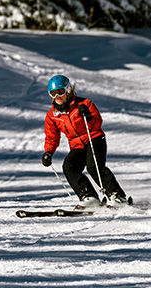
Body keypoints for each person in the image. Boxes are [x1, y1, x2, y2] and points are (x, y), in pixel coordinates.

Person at [42, 74, 127, 207]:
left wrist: (88, 117)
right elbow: (52, 136)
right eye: (52, 94)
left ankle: (118, 196)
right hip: (77, 145)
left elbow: (97, 124)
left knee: (94, 167)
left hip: (94, 138)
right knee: (69, 166)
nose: (57, 97)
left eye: (60, 92)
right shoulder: (52, 115)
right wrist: (48, 152)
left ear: (68, 90)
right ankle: (89, 196)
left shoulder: (84, 104)